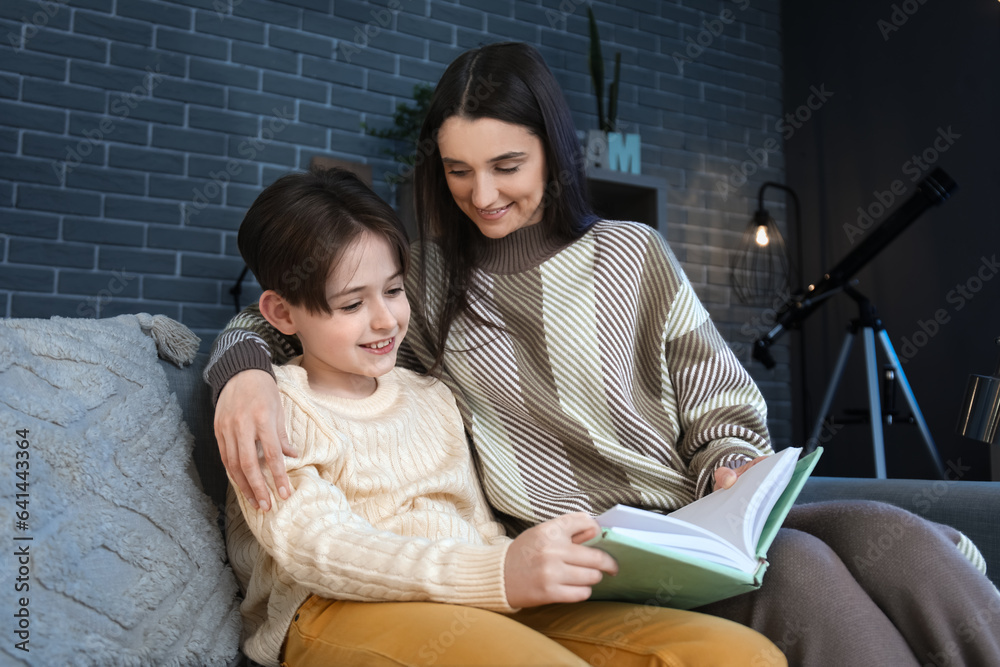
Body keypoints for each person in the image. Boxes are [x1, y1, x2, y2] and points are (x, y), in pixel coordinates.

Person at [209, 43, 1000, 666]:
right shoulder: (423, 279)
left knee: (901, 542)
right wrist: (240, 373)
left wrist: (728, 460)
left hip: (693, 516)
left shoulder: (632, 253)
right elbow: (296, 306)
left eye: (506, 166)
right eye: (458, 172)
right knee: (803, 572)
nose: (482, 194)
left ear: (552, 151)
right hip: (586, 552)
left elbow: (717, 397)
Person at [223, 167, 783, 667]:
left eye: (394, 290)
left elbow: (478, 521)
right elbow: (317, 548)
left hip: (470, 593)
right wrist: (497, 573)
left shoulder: (431, 394)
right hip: (331, 609)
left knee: (740, 655)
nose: (385, 320)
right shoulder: (275, 404)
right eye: (351, 305)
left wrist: (517, 565)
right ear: (280, 312)